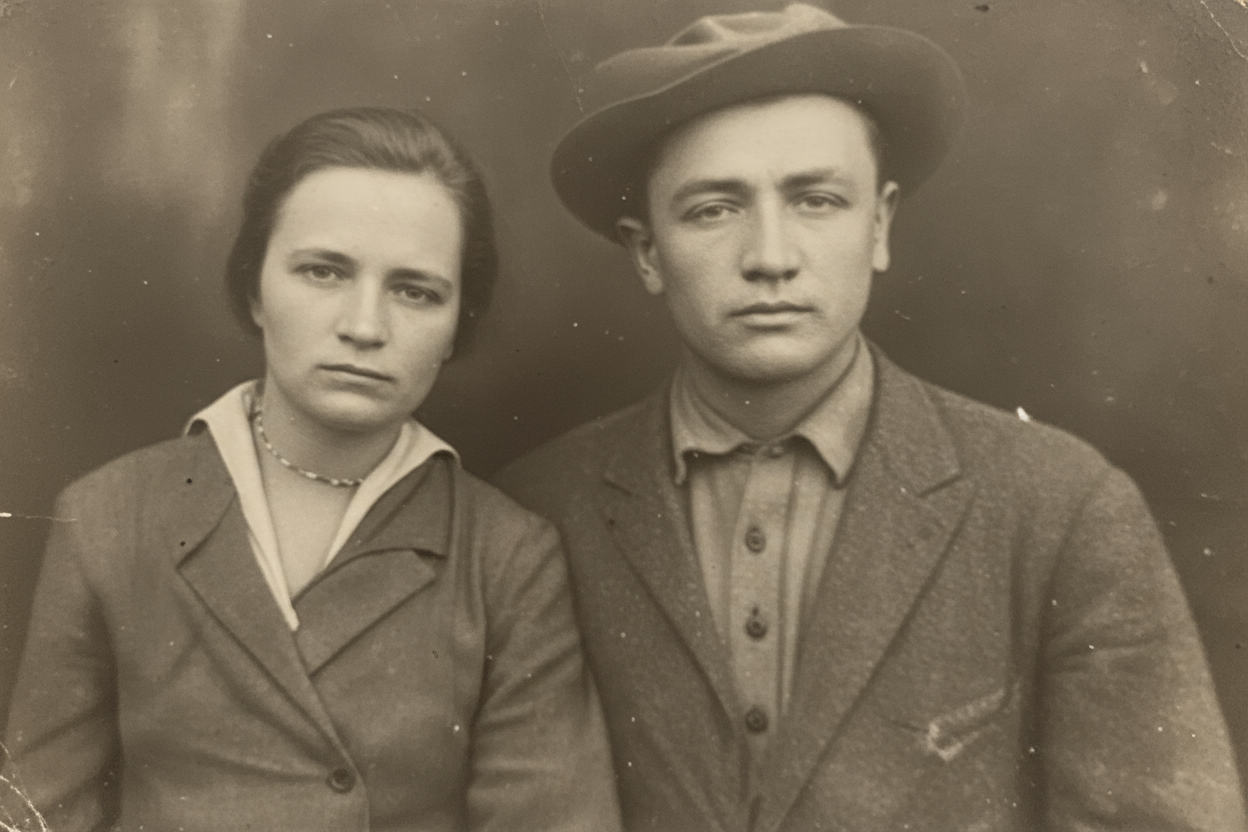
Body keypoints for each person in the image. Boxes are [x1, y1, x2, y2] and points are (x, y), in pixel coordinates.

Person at [495, 6, 1246, 831]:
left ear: (879, 224)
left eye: (816, 200)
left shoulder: (1061, 510)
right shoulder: (537, 514)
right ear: (646, 251)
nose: (771, 257)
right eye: (714, 209)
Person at [1, 107, 620, 832]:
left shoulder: (506, 557)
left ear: (457, 326)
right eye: (324, 272)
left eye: (415, 291)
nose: (364, 327)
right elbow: (38, 812)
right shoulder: (112, 514)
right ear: (255, 290)